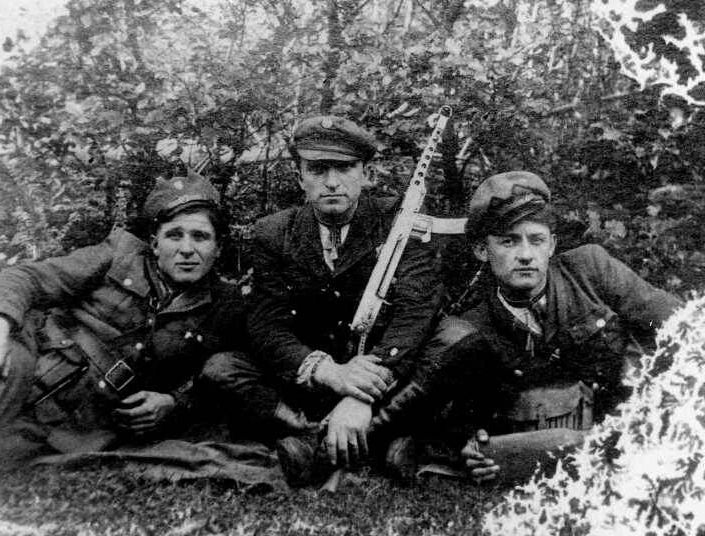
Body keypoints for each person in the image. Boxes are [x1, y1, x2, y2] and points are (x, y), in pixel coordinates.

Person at [0, 173, 246, 470]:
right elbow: (27, 278)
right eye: (175, 235)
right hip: (16, 357)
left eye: (200, 237)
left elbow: (226, 375)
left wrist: (172, 402)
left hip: (69, 419)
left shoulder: (225, 305)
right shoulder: (117, 256)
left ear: (218, 248)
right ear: (155, 243)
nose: (187, 249)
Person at [366, 170, 682, 483]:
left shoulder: (590, 271)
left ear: (552, 245)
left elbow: (683, 323)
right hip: (563, 445)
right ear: (481, 250)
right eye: (509, 241)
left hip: (638, 419)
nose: (526, 255)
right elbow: (436, 410)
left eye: (537, 240)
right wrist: (470, 450)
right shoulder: (468, 331)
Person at [201, 115, 441, 485]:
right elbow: (267, 324)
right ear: (300, 177)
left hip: (382, 378)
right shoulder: (274, 233)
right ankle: (323, 435)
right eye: (317, 170)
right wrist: (330, 373)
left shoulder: (401, 221)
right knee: (222, 368)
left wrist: (360, 394)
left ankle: (340, 440)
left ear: (366, 174)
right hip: (312, 382)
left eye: (344, 168)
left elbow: (416, 311)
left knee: (454, 341)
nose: (331, 182)